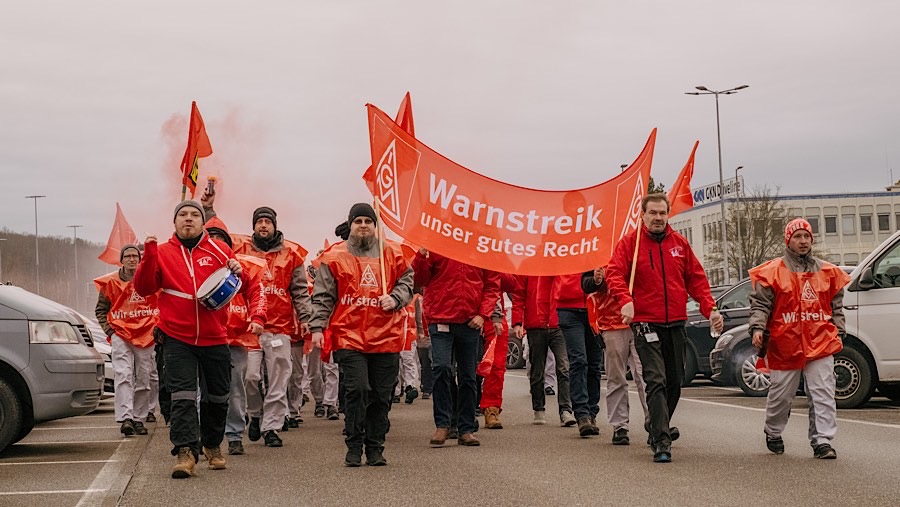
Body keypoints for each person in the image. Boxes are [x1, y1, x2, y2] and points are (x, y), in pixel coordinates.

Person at [134, 200, 265, 479]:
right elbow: (144, 288)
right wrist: (148, 255)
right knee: (181, 395)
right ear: (175, 221)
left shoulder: (220, 250)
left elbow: (244, 285)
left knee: (218, 396)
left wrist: (237, 271)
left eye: (195, 215)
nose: (189, 219)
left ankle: (212, 443)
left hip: (215, 336)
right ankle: (185, 450)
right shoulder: (162, 252)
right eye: (183, 215)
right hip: (176, 336)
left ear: (203, 221)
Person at [606, 193, 723, 463]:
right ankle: (661, 439)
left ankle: (655, 424)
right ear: (643, 215)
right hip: (646, 323)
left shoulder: (679, 245)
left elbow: (697, 281)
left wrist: (711, 309)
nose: (658, 218)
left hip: (676, 323)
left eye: (662, 213)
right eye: (653, 213)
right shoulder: (630, 245)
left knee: (675, 381)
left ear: (667, 215)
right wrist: (625, 301)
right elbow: (613, 275)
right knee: (655, 380)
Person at [310, 203, 414, 466]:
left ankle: (376, 446)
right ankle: (354, 444)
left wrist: (396, 298)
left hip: (386, 335)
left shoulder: (392, 252)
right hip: (350, 336)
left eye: (369, 221)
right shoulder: (334, 257)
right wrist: (317, 328)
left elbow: (408, 281)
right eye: (359, 221)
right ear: (351, 225)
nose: (364, 225)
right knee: (357, 389)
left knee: (381, 394)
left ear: (375, 226)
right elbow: (323, 296)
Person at [748, 218, 850, 459]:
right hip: (785, 343)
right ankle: (773, 431)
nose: (803, 241)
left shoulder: (829, 272)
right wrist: (757, 328)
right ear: (788, 240)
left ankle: (822, 440)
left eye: (806, 236)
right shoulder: (772, 272)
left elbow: (836, 307)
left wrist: (839, 330)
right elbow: (760, 305)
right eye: (797, 237)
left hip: (820, 341)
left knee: (823, 391)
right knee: (781, 394)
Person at [233, 206, 312, 448]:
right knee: (250, 376)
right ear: (254, 226)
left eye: (268, 222)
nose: (264, 226)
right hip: (251, 327)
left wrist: (307, 318)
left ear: (275, 225)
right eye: (260, 222)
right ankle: (255, 414)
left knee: (280, 378)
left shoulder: (291, 256)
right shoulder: (241, 253)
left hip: (280, 327)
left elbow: (299, 290)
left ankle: (273, 427)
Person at [413, 250, 500, 447]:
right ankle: (443, 425)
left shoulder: (481, 246)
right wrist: (421, 257)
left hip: (470, 322)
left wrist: (483, 314)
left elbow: (492, 285)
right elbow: (419, 279)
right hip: (440, 318)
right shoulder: (437, 243)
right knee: (442, 368)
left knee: (468, 376)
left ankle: (466, 428)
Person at [205, 217, 266, 456]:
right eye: (211, 239)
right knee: (205, 389)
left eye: (221, 239)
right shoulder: (193, 267)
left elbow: (257, 291)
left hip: (237, 337)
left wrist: (258, 317)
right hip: (204, 337)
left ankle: (234, 434)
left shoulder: (243, 267)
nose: (216, 243)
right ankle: (207, 434)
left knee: (235, 387)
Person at [95, 245, 159, 437]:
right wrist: (110, 331)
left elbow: (161, 305)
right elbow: (100, 310)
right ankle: (126, 418)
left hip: (146, 336)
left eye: (135, 256)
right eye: (128, 256)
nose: (132, 259)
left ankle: (139, 418)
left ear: (140, 260)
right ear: (121, 260)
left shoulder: (149, 281)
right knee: (123, 375)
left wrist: (157, 329)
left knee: (144, 378)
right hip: (121, 335)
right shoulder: (110, 283)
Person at [582, 265, 649, 445]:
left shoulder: (636, 246)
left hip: (641, 320)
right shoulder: (598, 252)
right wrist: (596, 280)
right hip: (612, 324)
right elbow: (585, 284)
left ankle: (655, 422)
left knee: (646, 375)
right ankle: (620, 426)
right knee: (616, 377)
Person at [512, 275, 574, 426]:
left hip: (558, 322)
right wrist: (517, 322)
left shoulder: (559, 261)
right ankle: (538, 408)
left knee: (563, 367)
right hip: (536, 324)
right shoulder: (529, 265)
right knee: (537, 370)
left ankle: (566, 410)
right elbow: (519, 295)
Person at [480, 273, 517, 429]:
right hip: (464, 312)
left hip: (494, 318)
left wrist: (497, 268)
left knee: (497, 366)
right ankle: (462, 411)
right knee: (465, 366)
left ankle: (492, 408)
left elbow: (512, 284)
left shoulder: (497, 256)